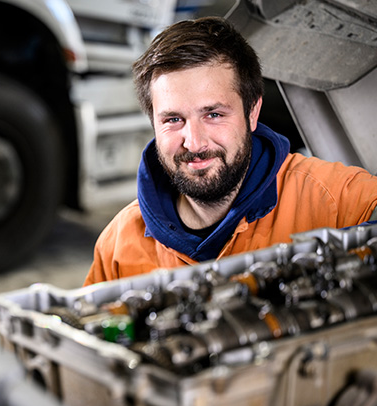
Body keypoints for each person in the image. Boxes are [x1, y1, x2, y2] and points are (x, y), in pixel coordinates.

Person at [84, 16, 377, 285]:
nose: (194, 143)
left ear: (252, 112)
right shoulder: (118, 247)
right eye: (174, 120)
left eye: (213, 114)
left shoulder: (335, 201)